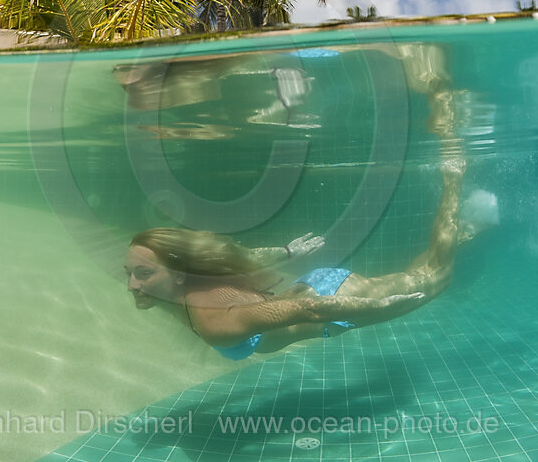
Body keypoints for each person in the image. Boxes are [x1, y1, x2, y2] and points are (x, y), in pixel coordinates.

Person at [124, 154, 469, 359]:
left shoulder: (212, 322)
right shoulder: (188, 284)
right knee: (420, 275)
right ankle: (462, 231)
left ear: (178, 273)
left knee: (438, 277)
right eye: (129, 272)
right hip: (318, 288)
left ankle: (453, 178)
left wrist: (384, 308)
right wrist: (287, 252)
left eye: (142, 273)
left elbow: (310, 309)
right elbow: (234, 255)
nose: (131, 284)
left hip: (330, 299)